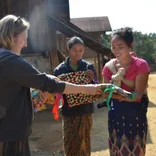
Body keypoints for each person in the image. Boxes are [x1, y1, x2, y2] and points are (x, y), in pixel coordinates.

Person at [0, 15, 102, 156]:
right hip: (10, 135)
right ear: (12, 36)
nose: (25, 44)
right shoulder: (13, 62)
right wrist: (86, 89)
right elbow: (50, 84)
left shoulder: (3, 60)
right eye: (24, 39)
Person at [102, 27, 150, 156]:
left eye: (120, 46)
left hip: (135, 116)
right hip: (115, 116)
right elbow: (106, 93)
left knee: (135, 149)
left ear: (130, 45)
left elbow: (137, 96)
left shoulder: (141, 65)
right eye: (113, 47)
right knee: (116, 149)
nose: (116, 50)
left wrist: (116, 89)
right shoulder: (108, 67)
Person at [54, 36, 98, 156]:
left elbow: (97, 88)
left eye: (81, 50)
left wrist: (91, 80)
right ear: (68, 49)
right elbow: (56, 92)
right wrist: (59, 83)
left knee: (84, 141)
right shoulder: (60, 70)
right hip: (69, 111)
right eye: (74, 50)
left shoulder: (89, 67)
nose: (78, 53)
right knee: (70, 143)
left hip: (86, 110)